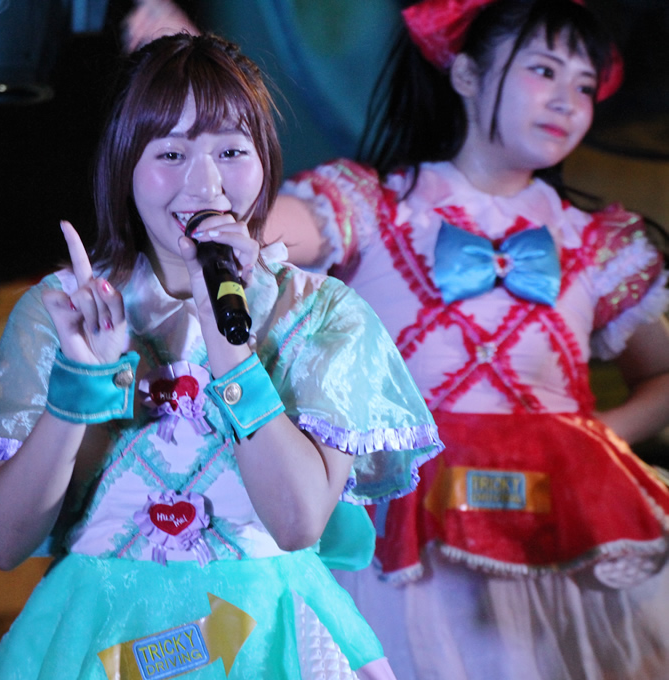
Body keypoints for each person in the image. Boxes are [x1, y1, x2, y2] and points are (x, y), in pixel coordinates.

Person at [0, 32, 443, 680]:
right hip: (98, 634)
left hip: (273, 640)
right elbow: (1, 544)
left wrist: (230, 346)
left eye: (231, 151)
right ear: (125, 165)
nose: (205, 183)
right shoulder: (61, 311)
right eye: (171, 153)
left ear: (265, 160)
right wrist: (81, 384)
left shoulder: (321, 313)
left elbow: (297, 524)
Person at [262, 1, 669, 678]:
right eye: (544, 70)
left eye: (584, 85)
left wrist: (593, 443)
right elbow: (254, 234)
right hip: (401, 538)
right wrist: (204, 123)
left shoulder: (597, 244)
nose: (566, 101)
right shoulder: (371, 207)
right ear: (467, 74)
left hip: (557, 537)